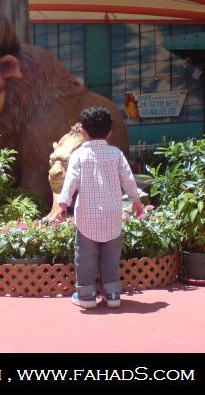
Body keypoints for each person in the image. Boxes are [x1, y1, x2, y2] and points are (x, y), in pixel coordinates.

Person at [57, 106, 143, 309]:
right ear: (110, 131)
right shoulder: (116, 154)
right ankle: (113, 295)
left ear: (83, 132)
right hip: (113, 216)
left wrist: (63, 204)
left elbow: (70, 182)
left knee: (85, 258)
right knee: (111, 259)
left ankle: (86, 296)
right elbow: (128, 180)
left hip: (86, 216)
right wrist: (136, 201)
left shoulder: (78, 155)